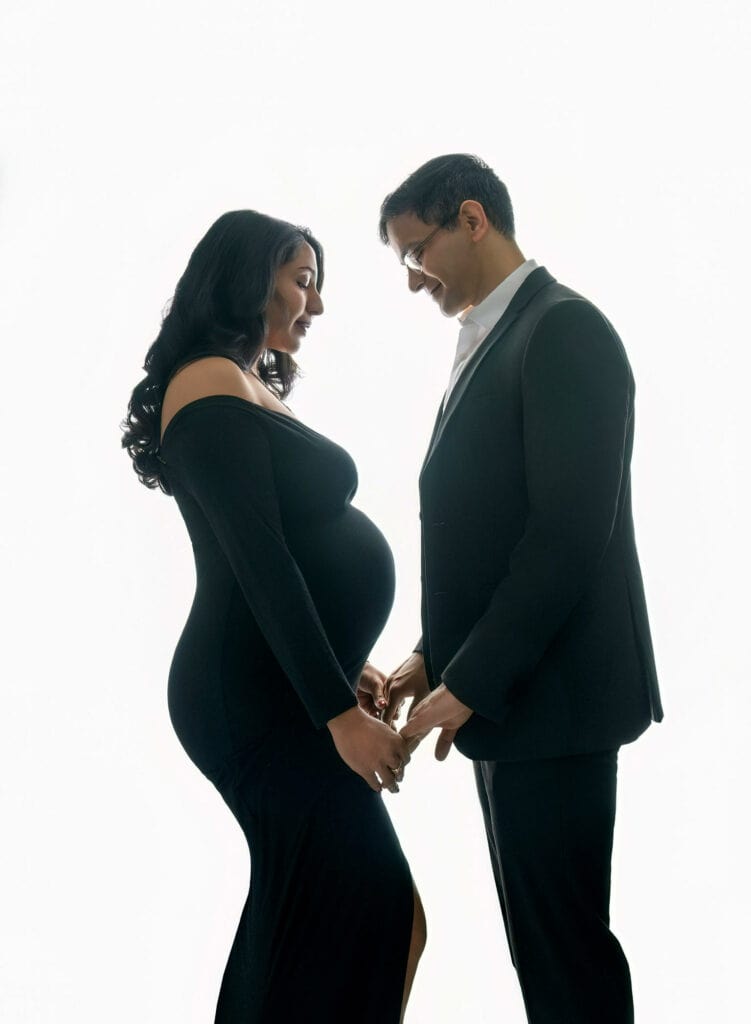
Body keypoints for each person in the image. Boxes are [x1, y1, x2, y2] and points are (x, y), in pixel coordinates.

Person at [121, 210, 426, 1023]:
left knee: (329, 913)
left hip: (282, 687)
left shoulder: (241, 383)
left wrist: (339, 664)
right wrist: (337, 713)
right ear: (247, 278)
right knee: (370, 906)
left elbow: (290, 551)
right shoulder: (205, 382)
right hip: (253, 701)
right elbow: (256, 560)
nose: (314, 305)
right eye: (302, 281)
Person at [379, 154, 663, 1024]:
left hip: (552, 702)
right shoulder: (494, 333)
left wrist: (468, 679)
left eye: (415, 251)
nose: (411, 278)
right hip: (510, 702)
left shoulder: (565, 329)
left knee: (566, 956)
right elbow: (488, 532)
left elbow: (567, 536)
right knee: (542, 954)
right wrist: (433, 657)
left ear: (472, 220)